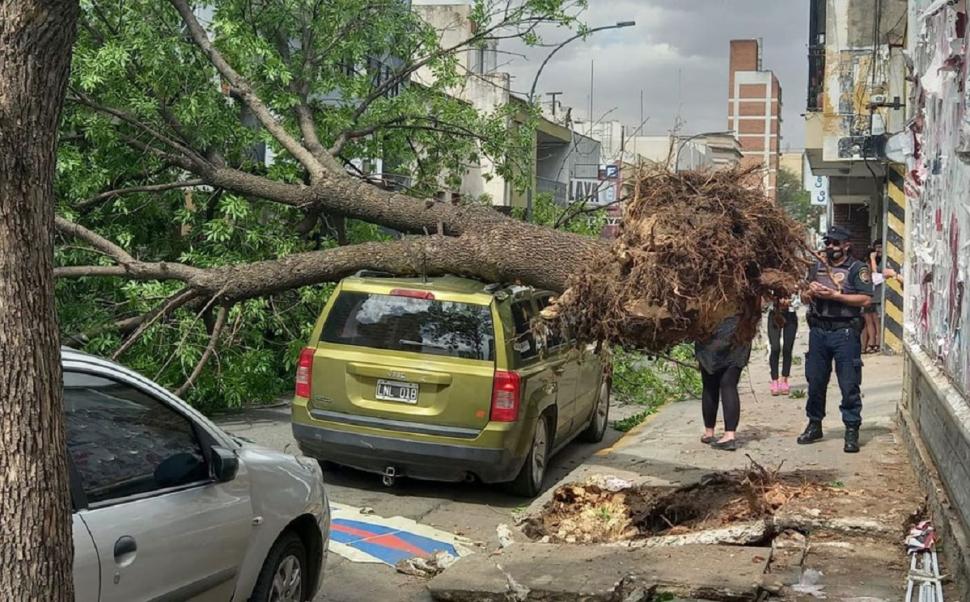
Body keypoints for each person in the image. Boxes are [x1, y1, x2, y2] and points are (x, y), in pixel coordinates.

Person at [798, 225, 874, 453]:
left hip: (845, 333)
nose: (830, 247)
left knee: (849, 383)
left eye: (835, 243)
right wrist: (810, 292)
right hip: (819, 331)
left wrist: (836, 296)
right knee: (815, 381)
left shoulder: (857, 268)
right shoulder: (817, 267)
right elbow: (803, 298)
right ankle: (814, 424)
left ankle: (851, 429)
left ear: (846, 245)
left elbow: (866, 300)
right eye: (828, 242)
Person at [695, 313, 752, 451]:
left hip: (712, 334)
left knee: (709, 386)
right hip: (738, 334)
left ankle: (709, 433)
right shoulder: (746, 293)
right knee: (729, 385)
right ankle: (729, 435)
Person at [767, 294, 798, 396]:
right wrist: (774, 300)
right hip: (774, 313)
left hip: (790, 314)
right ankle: (774, 380)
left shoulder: (796, 280)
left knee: (787, 348)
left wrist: (790, 302)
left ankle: (784, 379)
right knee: (775, 347)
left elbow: (800, 299)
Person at [861, 240, 884, 353]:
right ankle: (871, 343)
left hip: (878, 296)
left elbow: (876, 275)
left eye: (880, 247)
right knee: (869, 321)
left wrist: (873, 260)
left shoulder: (881, 263)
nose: (878, 250)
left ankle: (877, 343)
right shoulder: (867, 265)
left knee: (877, 321)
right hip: (870, 296)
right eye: (877, 248)